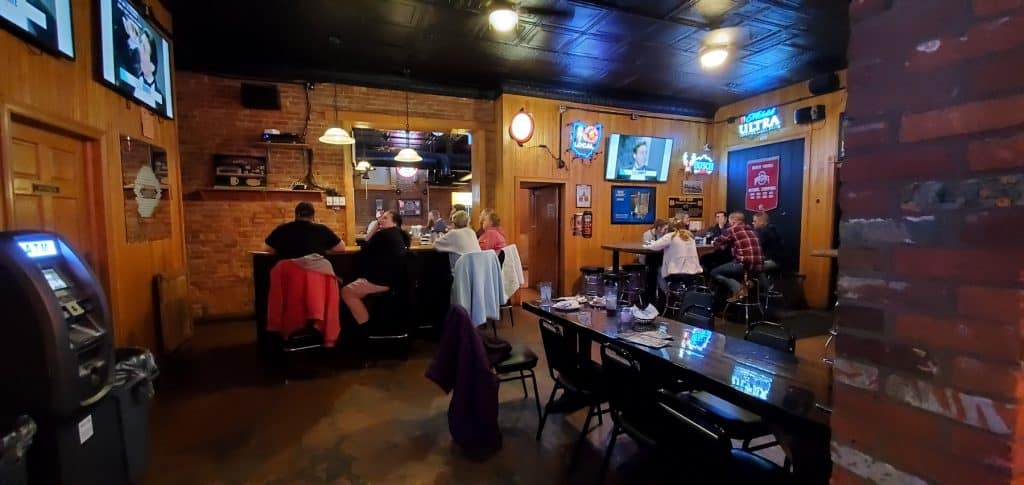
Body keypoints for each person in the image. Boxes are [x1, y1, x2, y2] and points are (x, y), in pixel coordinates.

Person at [342, 210, 411, 324]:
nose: (380, 221)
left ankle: (364, 326)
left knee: (346, 292)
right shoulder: (403, 236)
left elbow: (364, 248)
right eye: (381, 218)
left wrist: (374, 229)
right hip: (399, 282)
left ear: (395, 223)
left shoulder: (383, 234)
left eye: (385, 218)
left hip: (383, 281)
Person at [710, 212, 764, 303]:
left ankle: (739, 290)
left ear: (733, 220)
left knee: (714, 272)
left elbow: (718, 242)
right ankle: (747, 284)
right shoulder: (751, 230)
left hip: (744, 265)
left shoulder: (732, 229)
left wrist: (715, 241)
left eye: (730, 221)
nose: (729, 223)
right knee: (731, 268)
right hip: (759, 266)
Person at [264, 202, 344, 259]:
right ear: (313, 216)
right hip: (314, 276)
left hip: (289, 276)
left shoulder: (282, 229)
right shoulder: (322, 229)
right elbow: (341, 248)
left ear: (296, 215)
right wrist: (323, 249)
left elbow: (267, 248)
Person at [646, 219, 703, 293]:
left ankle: (668, 294)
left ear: (670, 227)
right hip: (693, 271)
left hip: (677, 272)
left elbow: (654, 246)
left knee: (659, 270)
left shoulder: (671, 236)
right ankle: (686, 294)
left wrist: (647, 243)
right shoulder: (690, 236)